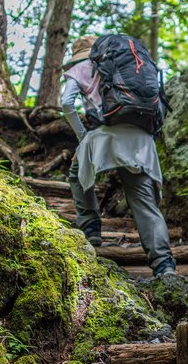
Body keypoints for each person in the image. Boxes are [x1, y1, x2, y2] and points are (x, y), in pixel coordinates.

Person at [61, 35, 177, 276]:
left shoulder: (80, 68)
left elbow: (67, 104)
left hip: (104, 136)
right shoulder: (127, 66)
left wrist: (83, 137)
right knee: (143, 200)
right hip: (140, 139)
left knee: (76, 174)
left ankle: (90, 229)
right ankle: (164, 264)